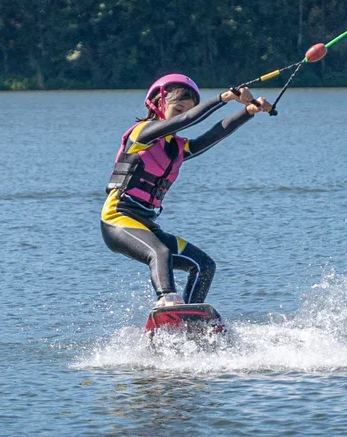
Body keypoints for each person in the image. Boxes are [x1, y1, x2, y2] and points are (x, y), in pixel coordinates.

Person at [101, 74, 272, 308]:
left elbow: (212, 135)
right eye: (178, 108)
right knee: (160, 253)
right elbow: (189, 120)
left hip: (146, 226)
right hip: (117, 219)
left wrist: (248, 111)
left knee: (204, 265)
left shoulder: (177, 148)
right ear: (158, 103)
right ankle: (167, 301)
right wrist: (224, 98)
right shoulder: (141, 133)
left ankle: (189, 318)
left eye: (187, 109)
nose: (182, 114)